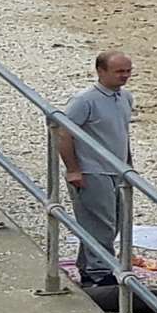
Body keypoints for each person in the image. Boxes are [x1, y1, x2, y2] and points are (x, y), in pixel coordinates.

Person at [58, 51, 135, 288]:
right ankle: (99, 272)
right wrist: (73, 169)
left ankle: (89, 267)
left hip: (116, 170)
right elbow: (63, 131)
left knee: (115, 221)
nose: (124, 76)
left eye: (128, 71)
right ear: (101, 71)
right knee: (101, 223)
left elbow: (121, 133)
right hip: (92, 170)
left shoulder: (125, 98)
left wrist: (129, 165)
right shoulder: (85, 100)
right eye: (119, 71)